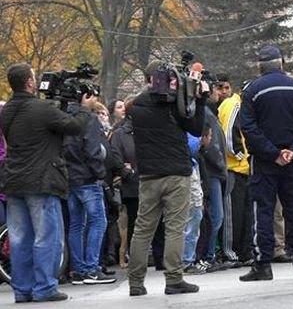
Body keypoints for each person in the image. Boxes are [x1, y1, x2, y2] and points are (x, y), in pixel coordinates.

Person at [1, 63, 93, 303]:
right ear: (30, 83)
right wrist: (84, 108)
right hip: (41, 181)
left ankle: (22, 290)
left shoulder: (8, 110)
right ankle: (45, 288)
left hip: (14, 181)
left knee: (20, 239)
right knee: (46, 237)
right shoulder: (41, 109)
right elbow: (74, 127)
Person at [239, 45, 293, 281]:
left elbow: (248, 128)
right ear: (282, 64)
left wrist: (272, 152)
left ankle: (263, 264)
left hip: (265, 161)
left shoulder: (252, 91)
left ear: (259, 66)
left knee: (263, 210)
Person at [126, 60, 207, 297]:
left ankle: (136, 283)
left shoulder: (135, 106)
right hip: (176, 174)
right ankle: (174, 279)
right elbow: (196, 129)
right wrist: (199, 100)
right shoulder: (175, 103)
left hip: (149, 175)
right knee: (174, 228)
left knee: (142, 229)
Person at [64, 95, 116, 285]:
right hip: (87, 177)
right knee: (98, 221)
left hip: (70, 178)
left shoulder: (64, 116)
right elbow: (93, 149)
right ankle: (91, 268)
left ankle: (78, 270)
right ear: (86, 97)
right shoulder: (89, 119)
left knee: (76, 225)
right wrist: (100, 173)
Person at [217, 83, 254, 266]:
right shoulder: (234, 105)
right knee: (233, 214)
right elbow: (229, 138)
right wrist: (244, 156)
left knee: (246, 213)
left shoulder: (243, 106)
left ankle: (245, 252)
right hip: (234, 168)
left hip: (244, 169)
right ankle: (230, 253)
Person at [200, 84, 228, 271]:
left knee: (215, 217)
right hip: (212, 173)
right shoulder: (206, 115)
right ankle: (207, 255)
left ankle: (209, 254)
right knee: (214, 217)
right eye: (216, 89)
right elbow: (210, 146)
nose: (219, 93)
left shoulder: (212, 114)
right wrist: (221, 165)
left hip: (214, 172)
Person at [109, 97, 138, 267]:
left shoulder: (144, 130)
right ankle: (132, 256)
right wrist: (126, 172)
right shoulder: (119, 133)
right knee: (131, 223)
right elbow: (115, 155)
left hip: (145, 179)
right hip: (131, 184)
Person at [182, 134, 205, 274]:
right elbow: (190, 147)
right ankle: (186, 260)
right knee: (193, 216)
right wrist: (199, 140)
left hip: (186, 167)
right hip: (186, 169)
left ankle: (185, 259)